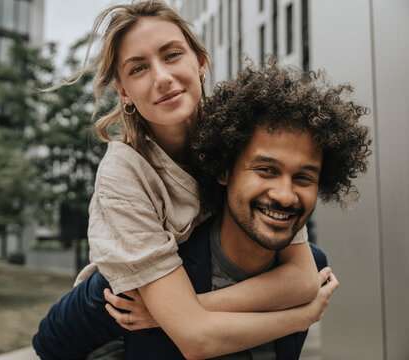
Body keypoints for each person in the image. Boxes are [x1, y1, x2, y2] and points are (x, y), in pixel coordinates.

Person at [33, 1, 333, 358]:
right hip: (102, 321)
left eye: (172, 55)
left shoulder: (238, 133)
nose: (161, 77)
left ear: (200, 62)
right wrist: (301, 317)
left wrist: (180, 310)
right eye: (139, 68)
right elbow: (194, 337)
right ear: (125, 92)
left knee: (309, 255)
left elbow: (302, 277)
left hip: (173, 299)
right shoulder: (124, 173)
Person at [101, 59, 372, 359]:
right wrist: (168, 310)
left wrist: (171, 313)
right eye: (266, 170)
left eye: (303, 178)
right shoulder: (155, 273)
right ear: (224, 171)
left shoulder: (313, 271)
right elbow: (56, 339)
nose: (285, 196)